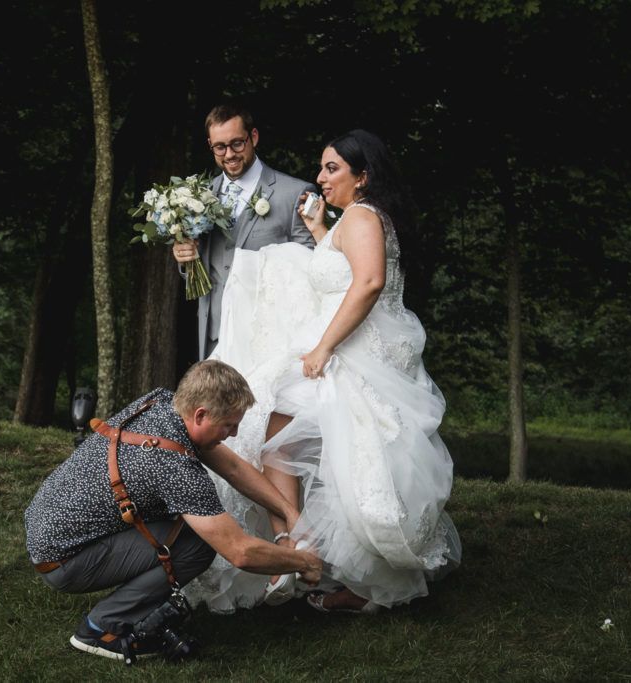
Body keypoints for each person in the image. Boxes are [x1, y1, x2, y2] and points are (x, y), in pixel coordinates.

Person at [183, 130, 461, 615]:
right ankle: (299, 539)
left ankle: (334, 561)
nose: (320, 177)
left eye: (332, 168)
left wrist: (324, 347)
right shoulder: (357, 219)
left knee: (335, 452)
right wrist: (317, 234)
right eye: (322, 167)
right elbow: (344, 273)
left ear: (363, 177)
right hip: (356, 347)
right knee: (296, 435)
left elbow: (370, 282)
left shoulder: (361, 215)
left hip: (356, 352)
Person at [24, 360, 322, 663]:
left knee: (181, 526)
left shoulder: (161, 402)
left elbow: (231, 467)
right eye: (229, 425)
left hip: (45, 530)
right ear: (201, 415)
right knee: (197, 546)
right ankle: (102, 627)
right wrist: (303, 562)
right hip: (61, 561)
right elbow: (239, 552)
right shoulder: (174, 468)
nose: (234, 434)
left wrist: (288, 511)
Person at [173, 102, 316, 360]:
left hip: (270, 338)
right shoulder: (197, 197)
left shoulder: (294, 193)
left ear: (254, 137)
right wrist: (185, 259)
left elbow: (310, 271)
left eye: (237, 143)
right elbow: (203, 270)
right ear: (210, 145)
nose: (229, 154)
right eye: (220, 147)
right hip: (214, 334)